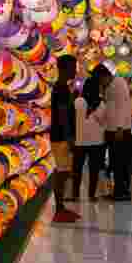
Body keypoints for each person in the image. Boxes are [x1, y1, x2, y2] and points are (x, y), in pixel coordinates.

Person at [50, 55, 80, 223]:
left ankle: (61, 208)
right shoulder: (61, 88)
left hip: (62, 136)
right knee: (62, 173)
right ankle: (59, 210)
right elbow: (62, 115)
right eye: (72, 67)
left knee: (64, 171)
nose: (75, 71)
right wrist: (69, 138)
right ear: (64, 68)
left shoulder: (63, 87)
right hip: (61, 137)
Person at [71, 65, 109, 200]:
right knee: (94, 169)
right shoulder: (102, 104)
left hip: (79, 140)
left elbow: (72, 121)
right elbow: (105, 123)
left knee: (77, 169)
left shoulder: (78, 101)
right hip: (97, 141)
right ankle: (91, 195)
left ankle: (75, 195)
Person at [104, 69, 132, 202]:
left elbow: (122, 107)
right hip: (115, 129)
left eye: (101, 80)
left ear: (105, 76)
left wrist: (119, 128)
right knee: (117, 162)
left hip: (119, 131)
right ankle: (119, 191)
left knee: (120, 163)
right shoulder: (112, 85)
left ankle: (122, 192)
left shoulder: (119, 83)